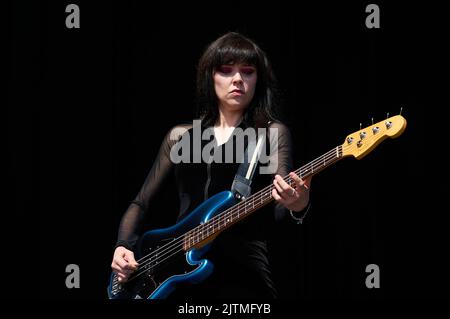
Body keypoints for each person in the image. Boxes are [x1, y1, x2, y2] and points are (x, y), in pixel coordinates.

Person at [110, 32, 312, 299]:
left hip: (243, 278)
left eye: (248, 71)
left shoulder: (271, 134)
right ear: (210, 77)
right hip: (176, 274)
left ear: (257, 80)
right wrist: (123, 246)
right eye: (226, 70)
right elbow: (141, 203)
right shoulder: (180, 136)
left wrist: (298, 204)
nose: (238, 79)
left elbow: (279, 208)